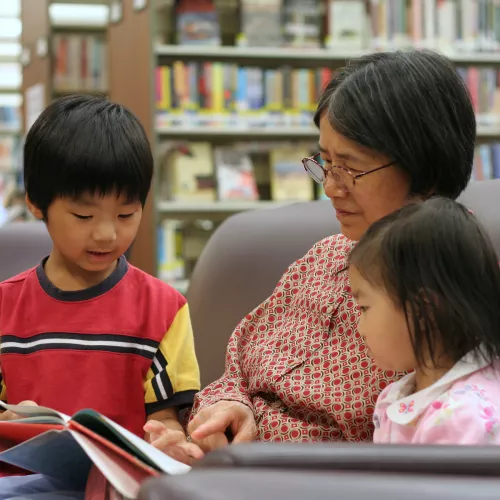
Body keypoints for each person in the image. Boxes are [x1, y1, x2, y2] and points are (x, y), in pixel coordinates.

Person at [183, 50, 477, 451]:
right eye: (325, 162)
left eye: (350, 167)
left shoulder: (453, 286)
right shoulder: (324, 256)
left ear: (423, 166)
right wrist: (228, 409)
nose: (331, 186)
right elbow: (237, 367)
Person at [0, 95, 202, 498]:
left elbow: (166, 420)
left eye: (126, 215)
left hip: (120, 489)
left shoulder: (164, 309)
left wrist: (171, 439)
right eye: (84, 216)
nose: (108, 234)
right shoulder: (6, 307)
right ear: (36, 204)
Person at [349, 197, 500, 444]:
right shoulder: (397, 395)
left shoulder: (462, 418)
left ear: (423, 310)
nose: (359, 327)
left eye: (364, 307)